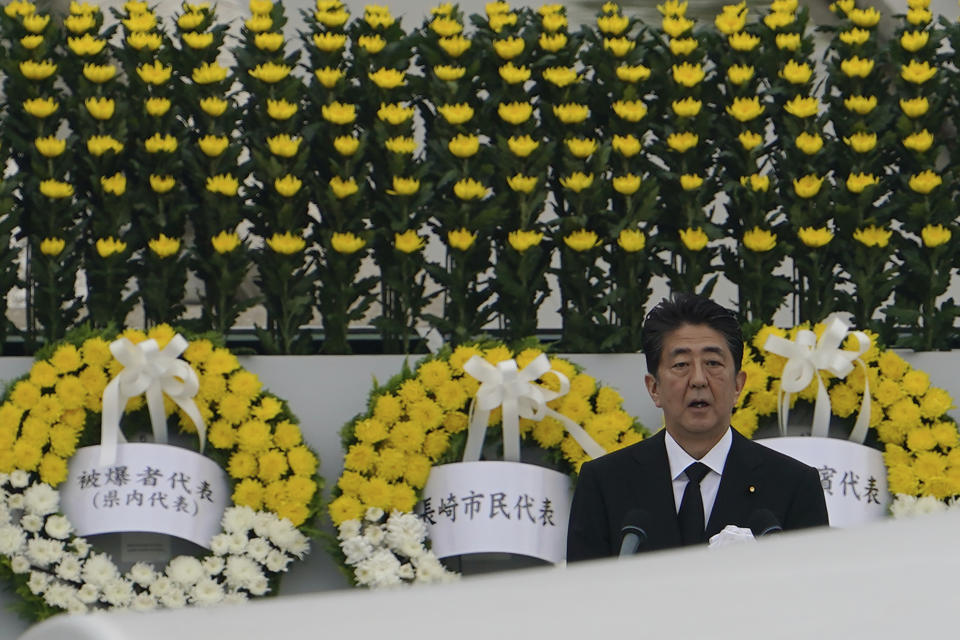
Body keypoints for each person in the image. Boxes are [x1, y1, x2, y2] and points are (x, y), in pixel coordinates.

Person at [566, 293, 829, 561]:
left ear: (738, 386)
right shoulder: (605, 483)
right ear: (654, 388)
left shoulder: (794, 485)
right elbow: (583, 596)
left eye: (713, 363)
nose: (699, 380)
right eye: (681, 365)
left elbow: (813, 594)